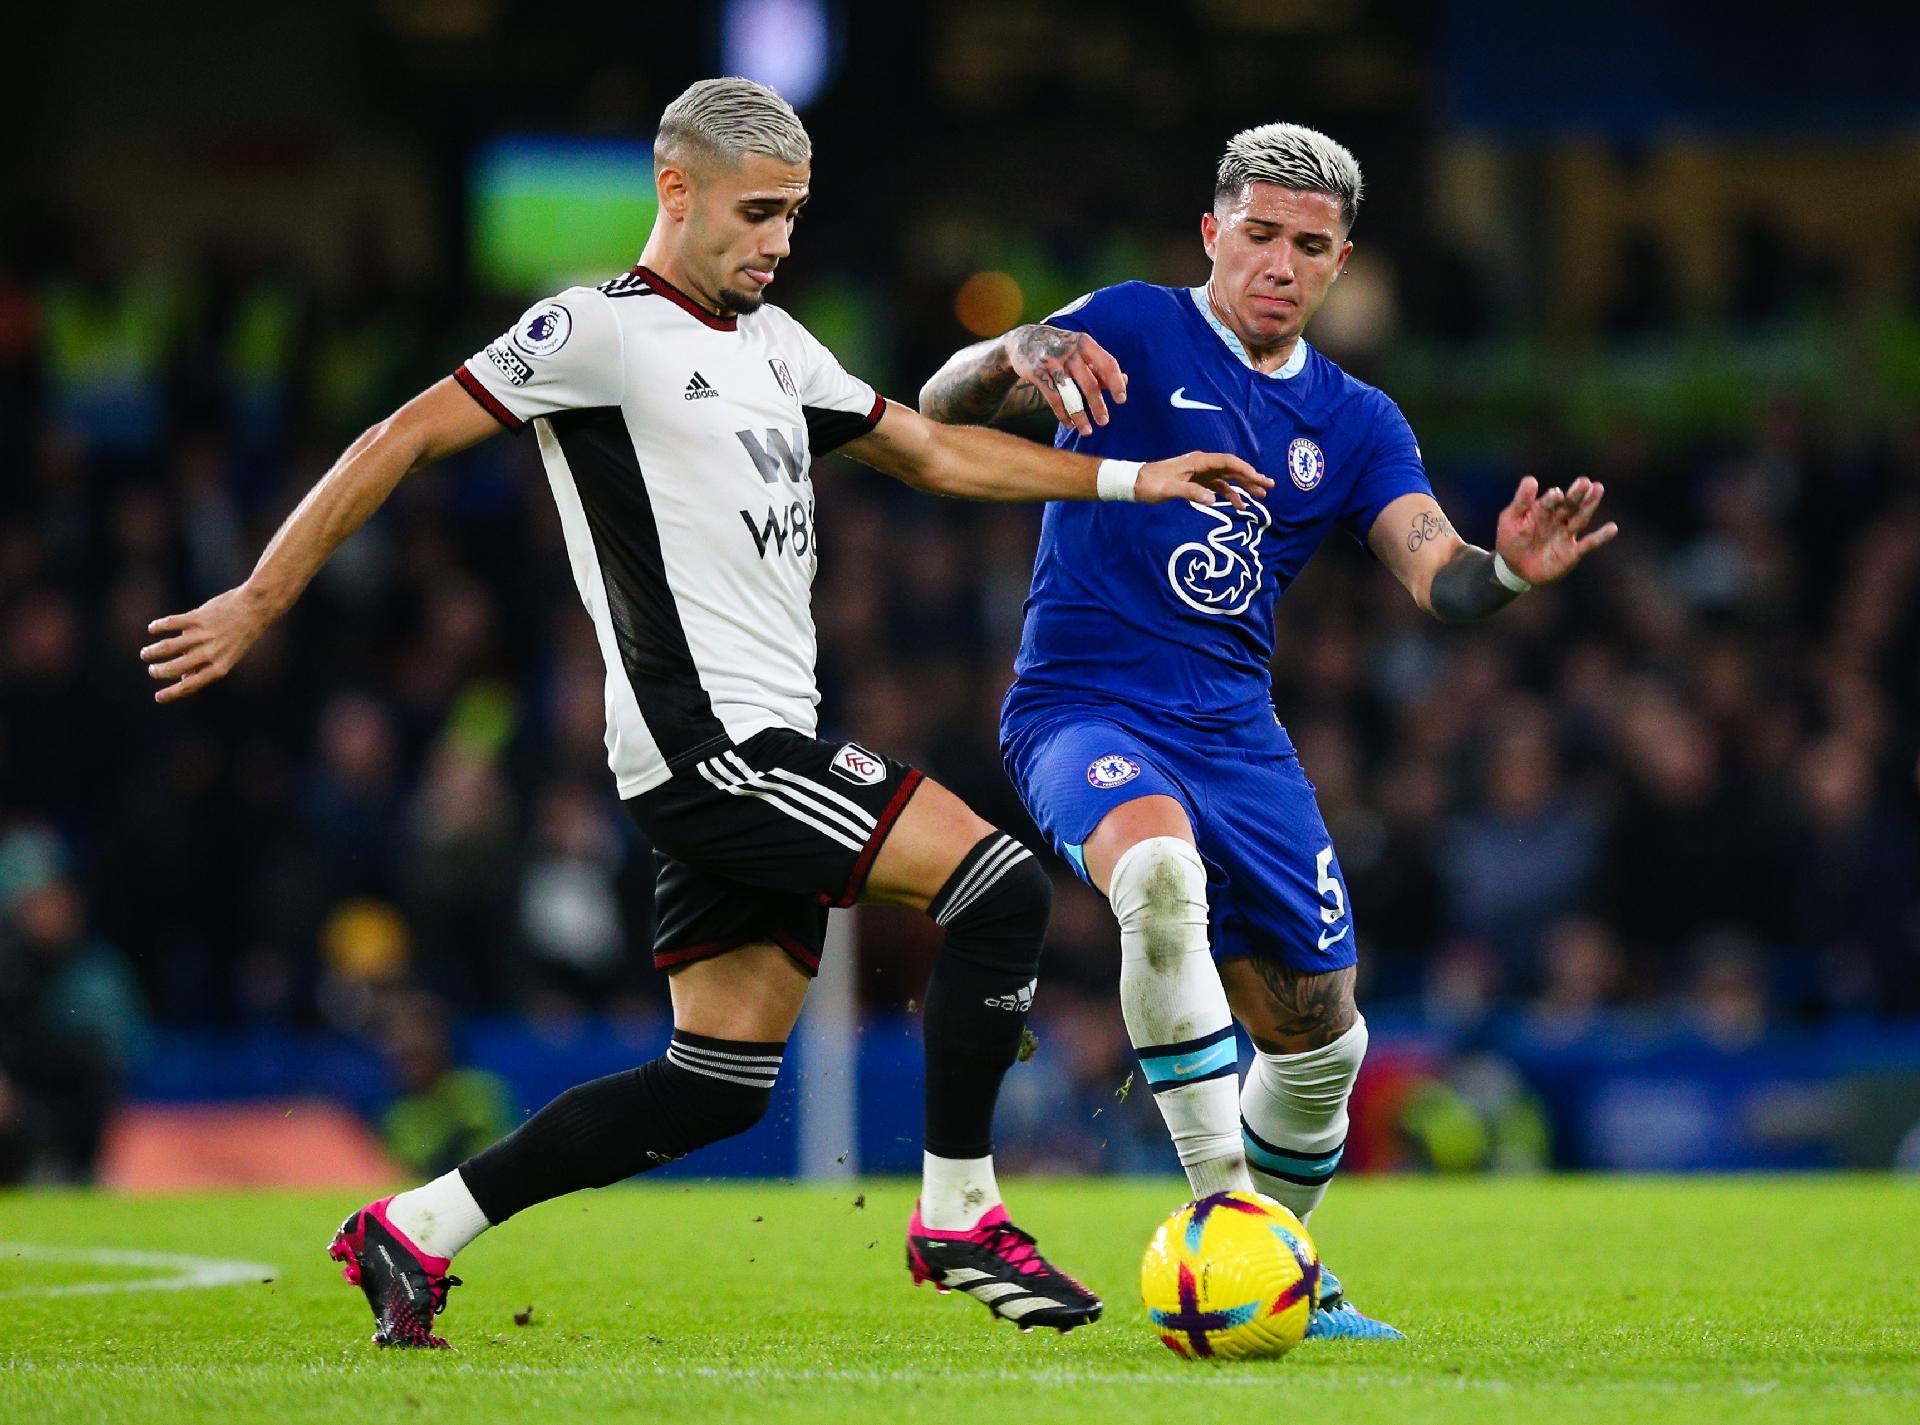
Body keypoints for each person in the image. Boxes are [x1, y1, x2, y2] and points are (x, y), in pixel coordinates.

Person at [138, 77, 1267, 1349]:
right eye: (760, 212)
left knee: (715, 1085)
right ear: (676, 192)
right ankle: (958, 1210)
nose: (781, 243)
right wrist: (257, 596)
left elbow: (937, 453)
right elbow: (397, 438)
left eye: (795, 215)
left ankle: (415, 1229)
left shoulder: (777, 346)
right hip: (713, 744)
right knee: (999, 888)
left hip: (757, 739)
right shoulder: (594, 331)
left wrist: (1134, 478)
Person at [920, 121, 1616, 1339]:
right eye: (1259, 237)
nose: (1280, 265)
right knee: (1162, 879)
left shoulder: (1355, 423)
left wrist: (1503, 573)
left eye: (1310, 245)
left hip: (1239, 736)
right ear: (1212, 234)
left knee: (1318, 1043)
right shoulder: (1130, 324)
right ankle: (1226, 1225)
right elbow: (937, 405)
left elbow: (1437, 574)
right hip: (1083, 704)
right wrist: (1013, 348)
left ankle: (1287, 1262)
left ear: (1343, 264)